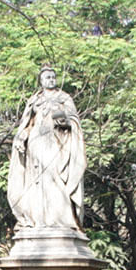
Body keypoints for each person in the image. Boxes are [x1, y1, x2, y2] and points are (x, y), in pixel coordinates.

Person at [7, 66, 85, 231]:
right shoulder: (34, 100)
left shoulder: (64, 97)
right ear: (41, 81)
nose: (50, 79)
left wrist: (66, 122)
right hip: (36, 143)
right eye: (47, 77)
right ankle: (38, 220)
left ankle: (61, 220)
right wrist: (22, 137)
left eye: (52, 77)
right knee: (36, 180)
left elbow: (74, 119)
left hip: (56, 142)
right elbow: (27, 124)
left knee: (55, 178)